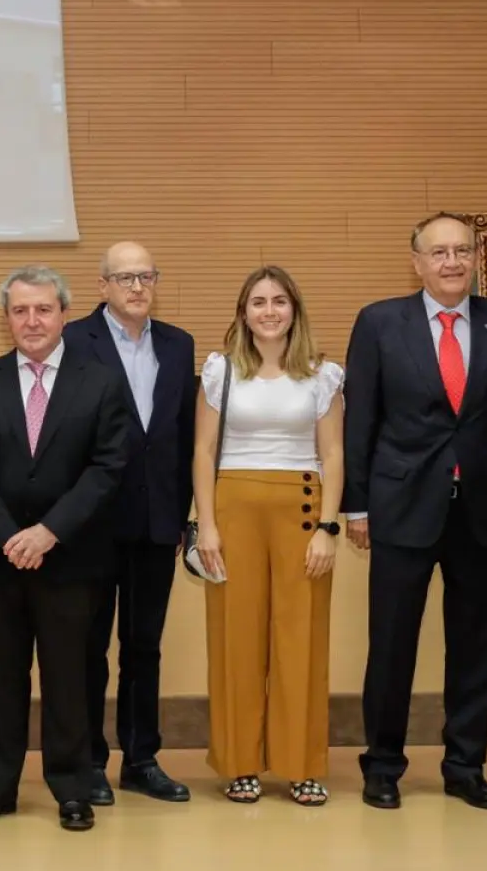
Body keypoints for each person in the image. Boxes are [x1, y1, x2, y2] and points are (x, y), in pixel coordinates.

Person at [344, 212, 487, 811]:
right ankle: (382, 766)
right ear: (416, 262)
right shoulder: (380, 322)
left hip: (485, 510)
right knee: (392, 645)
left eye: (462, 250)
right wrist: (356, 505)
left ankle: (466, 765)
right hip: (402, 507)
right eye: (439, 253)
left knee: (477, 646)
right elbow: (362, 422)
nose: (452, 262)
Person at [0, 267, 130, 832]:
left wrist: (50, 531)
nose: (32, 321)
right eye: (20, 310)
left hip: (71, 556)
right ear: (6, 318)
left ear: (64, 315)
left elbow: (108, 466)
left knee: (69, 677)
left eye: (44, 309)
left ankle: (72, 788)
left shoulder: (100, 381)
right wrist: (9, 535)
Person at [190, 266, 345, 806]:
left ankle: (301, 764)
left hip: (303, 511)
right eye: (258, 302)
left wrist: (329, 528)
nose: (270, 310)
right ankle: (239, 763)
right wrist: (206, 523)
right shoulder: (220, 372)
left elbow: (333, 454)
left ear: (294, 310)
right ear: (243, 312)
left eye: (280, 301)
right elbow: (204, 452)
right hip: (233, 510)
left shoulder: (322, 375)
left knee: (299, 638)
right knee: (237, 635)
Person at [64, 241, 195, 804]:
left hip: (156, 519)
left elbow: (186, 435)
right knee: (88, 647)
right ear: (102, 286)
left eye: (146, 276)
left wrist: (185, 513)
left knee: (144, 646)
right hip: (90, 522)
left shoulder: (179, 344)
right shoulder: (72, 341)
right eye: (124, 278)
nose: (137, 287)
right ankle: (88, 760)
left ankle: (141, 758)